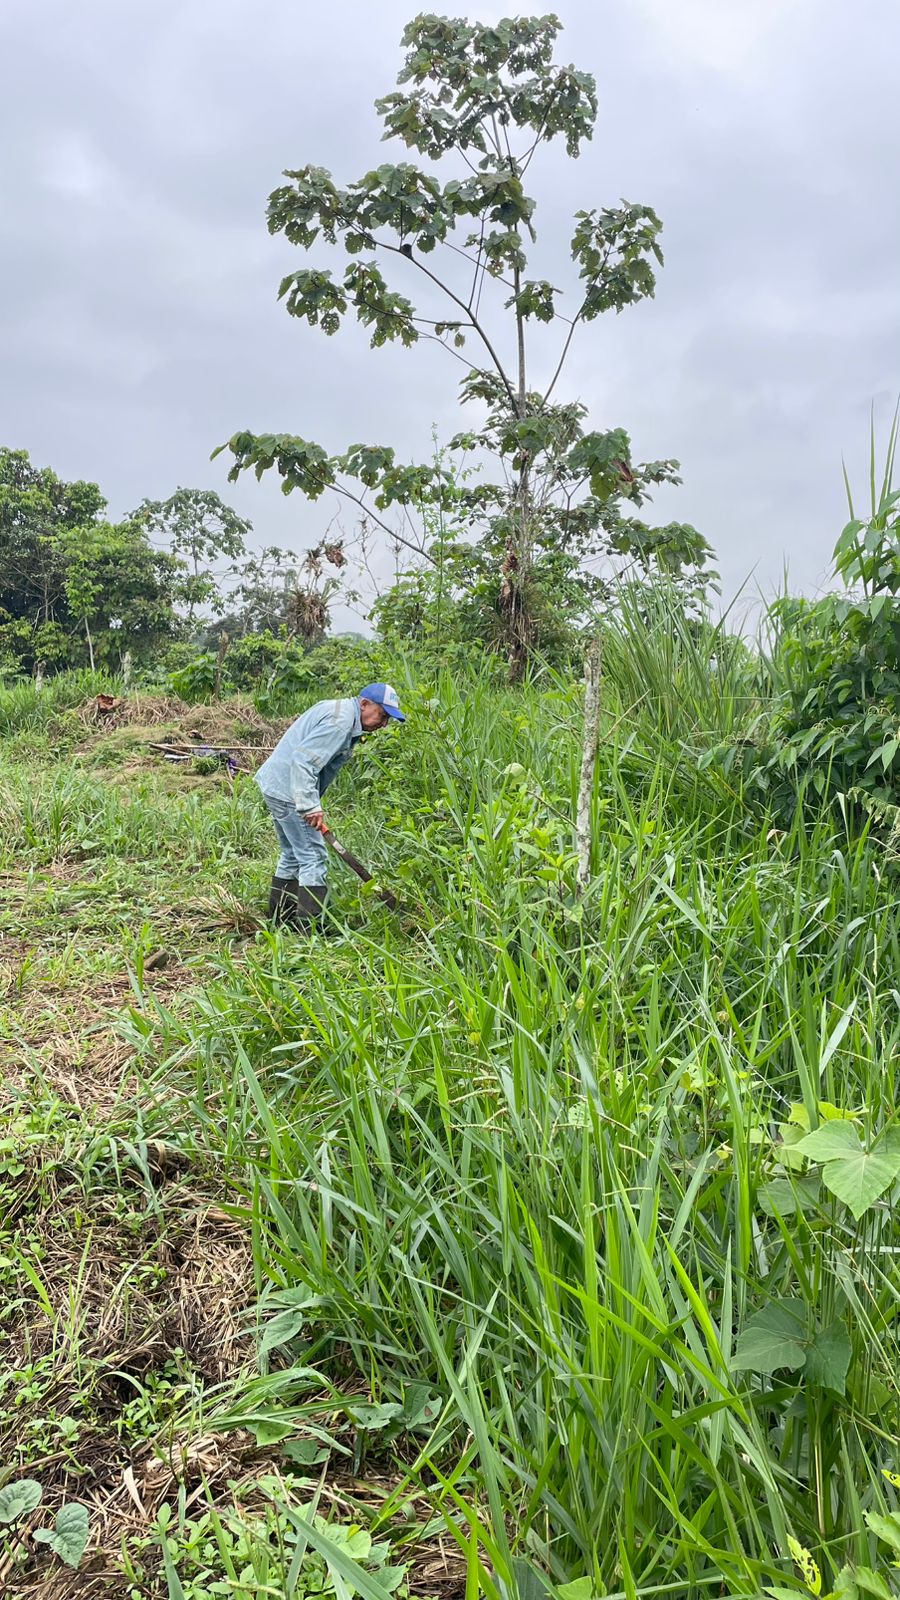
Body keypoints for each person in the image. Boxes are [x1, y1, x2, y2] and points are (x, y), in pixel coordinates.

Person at [254, 682, 405, 931]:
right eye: (382, 715)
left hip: (277, 785)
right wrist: (309, 805)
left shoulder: (341, 712)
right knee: (313, 856)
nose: (384, 724)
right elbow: (303, 760)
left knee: (293, 854)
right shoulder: (340, 723)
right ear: (364, 704)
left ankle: (280, 921)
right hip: (289, 790)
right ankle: (310, 930)